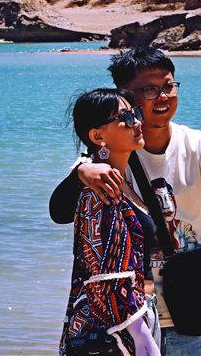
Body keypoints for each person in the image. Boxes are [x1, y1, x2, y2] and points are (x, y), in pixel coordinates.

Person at [51, 47, 201, 356]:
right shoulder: (107, 156)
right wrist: (82, 172)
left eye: (168, 86)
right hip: (134, 318)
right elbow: (60, 210)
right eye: (149, 90)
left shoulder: (200, 144)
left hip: (196, 308)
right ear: (125, 96)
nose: (163, 96)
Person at [60, 88, 160, 356]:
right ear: (97, 136)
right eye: (126, 118)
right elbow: (104, 277)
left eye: (136, 113)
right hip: (114, 336)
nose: (137, 122)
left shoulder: (123, 181)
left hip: (128, 325)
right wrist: (141, 338)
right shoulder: (99, 191)